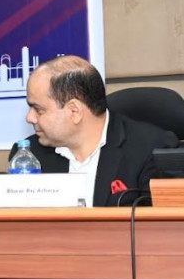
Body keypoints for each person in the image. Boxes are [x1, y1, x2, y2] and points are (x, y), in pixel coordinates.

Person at [10, 55, 178, 207]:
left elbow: (162, 225)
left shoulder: (151, 150)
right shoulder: (28, 156)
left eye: (38, 110)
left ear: (74, 111)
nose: (29, 118)